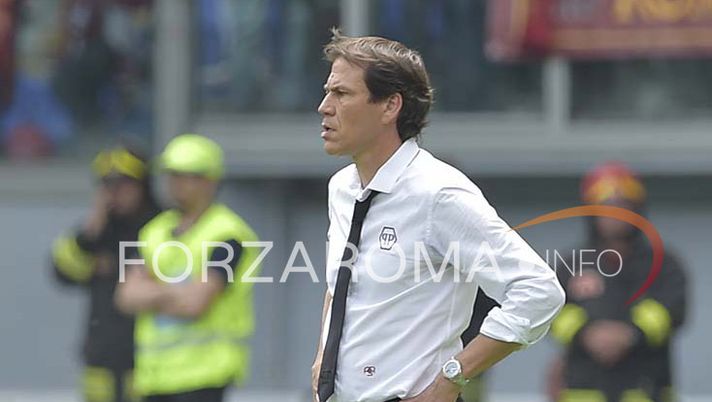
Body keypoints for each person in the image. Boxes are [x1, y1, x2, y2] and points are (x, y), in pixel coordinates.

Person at [312, 30, 565, 402]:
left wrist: (451, 378)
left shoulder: (438, 193)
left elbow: (539, 291)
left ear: (390, 106)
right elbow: (340, 286)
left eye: (342, 93)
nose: (324, 106)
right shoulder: (342, 188)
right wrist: (324, 358)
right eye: (327, 91)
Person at [115, 134, 260, 402]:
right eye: (172, 175)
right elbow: (126, 296)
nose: (175, 184)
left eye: (186, 176)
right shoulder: (154, 231)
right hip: (153, 378)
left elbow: (195, 303)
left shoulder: (227, 234)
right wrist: (177, 292)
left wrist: (153, 290)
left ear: (210, 181)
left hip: (204, 376)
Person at [549, 161, 688, 402]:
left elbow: (671, 309)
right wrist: (586, 333)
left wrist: (631, 333)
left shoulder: (663, 263)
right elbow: (552, 312)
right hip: (584, 390)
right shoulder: (571, 263)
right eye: (607, 206)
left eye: (624, 205)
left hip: (647, 390)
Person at [51, 146, 160, 402]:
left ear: (143, 185)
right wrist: (91, 231)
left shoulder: (162, 227)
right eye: (108, 185)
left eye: (124, 184)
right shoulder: (95, 233)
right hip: (101, 359)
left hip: (149, 361)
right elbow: (62, 272)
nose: (115, 192)